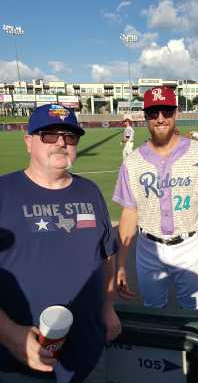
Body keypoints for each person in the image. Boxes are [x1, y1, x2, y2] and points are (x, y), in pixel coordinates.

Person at [0, 104, 121, 383]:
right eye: (49, 135)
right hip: (20, 357)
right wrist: (8, 334)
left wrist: (108, 306)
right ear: (29, 142)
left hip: (88, 351)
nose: (61, 143)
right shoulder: (4, 192)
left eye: (69, 136)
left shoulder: (89, 191)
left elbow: (106, 255)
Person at [113, 86, 198, 310]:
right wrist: (121, 263)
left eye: (166, 111)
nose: (161, 118)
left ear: (176, 113)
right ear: (145, 117)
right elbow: (129, 212)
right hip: (148, 247)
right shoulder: (133, 161)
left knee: (192, 310)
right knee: (154, 309)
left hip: (189, 245)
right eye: (153, 113)